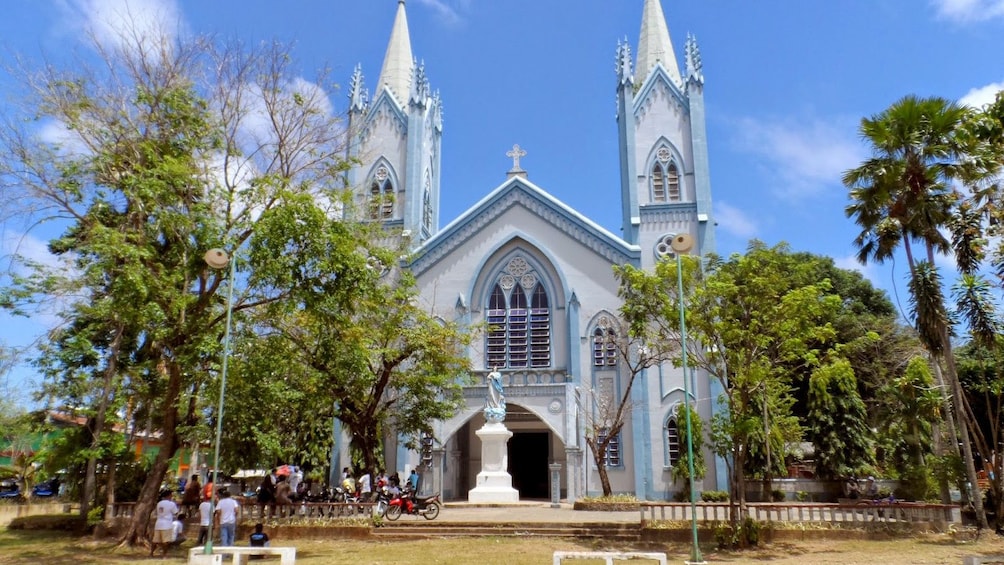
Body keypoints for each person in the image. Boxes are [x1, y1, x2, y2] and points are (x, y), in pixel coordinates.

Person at [151, 489, 179, 557]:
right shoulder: (171, 504)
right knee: (166, 541)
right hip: (167, 524)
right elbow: (176, 512)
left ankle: (151, 553)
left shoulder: (159, 503)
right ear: (169, 495)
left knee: (155, 540)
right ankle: (164, 554)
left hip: (158, 523)